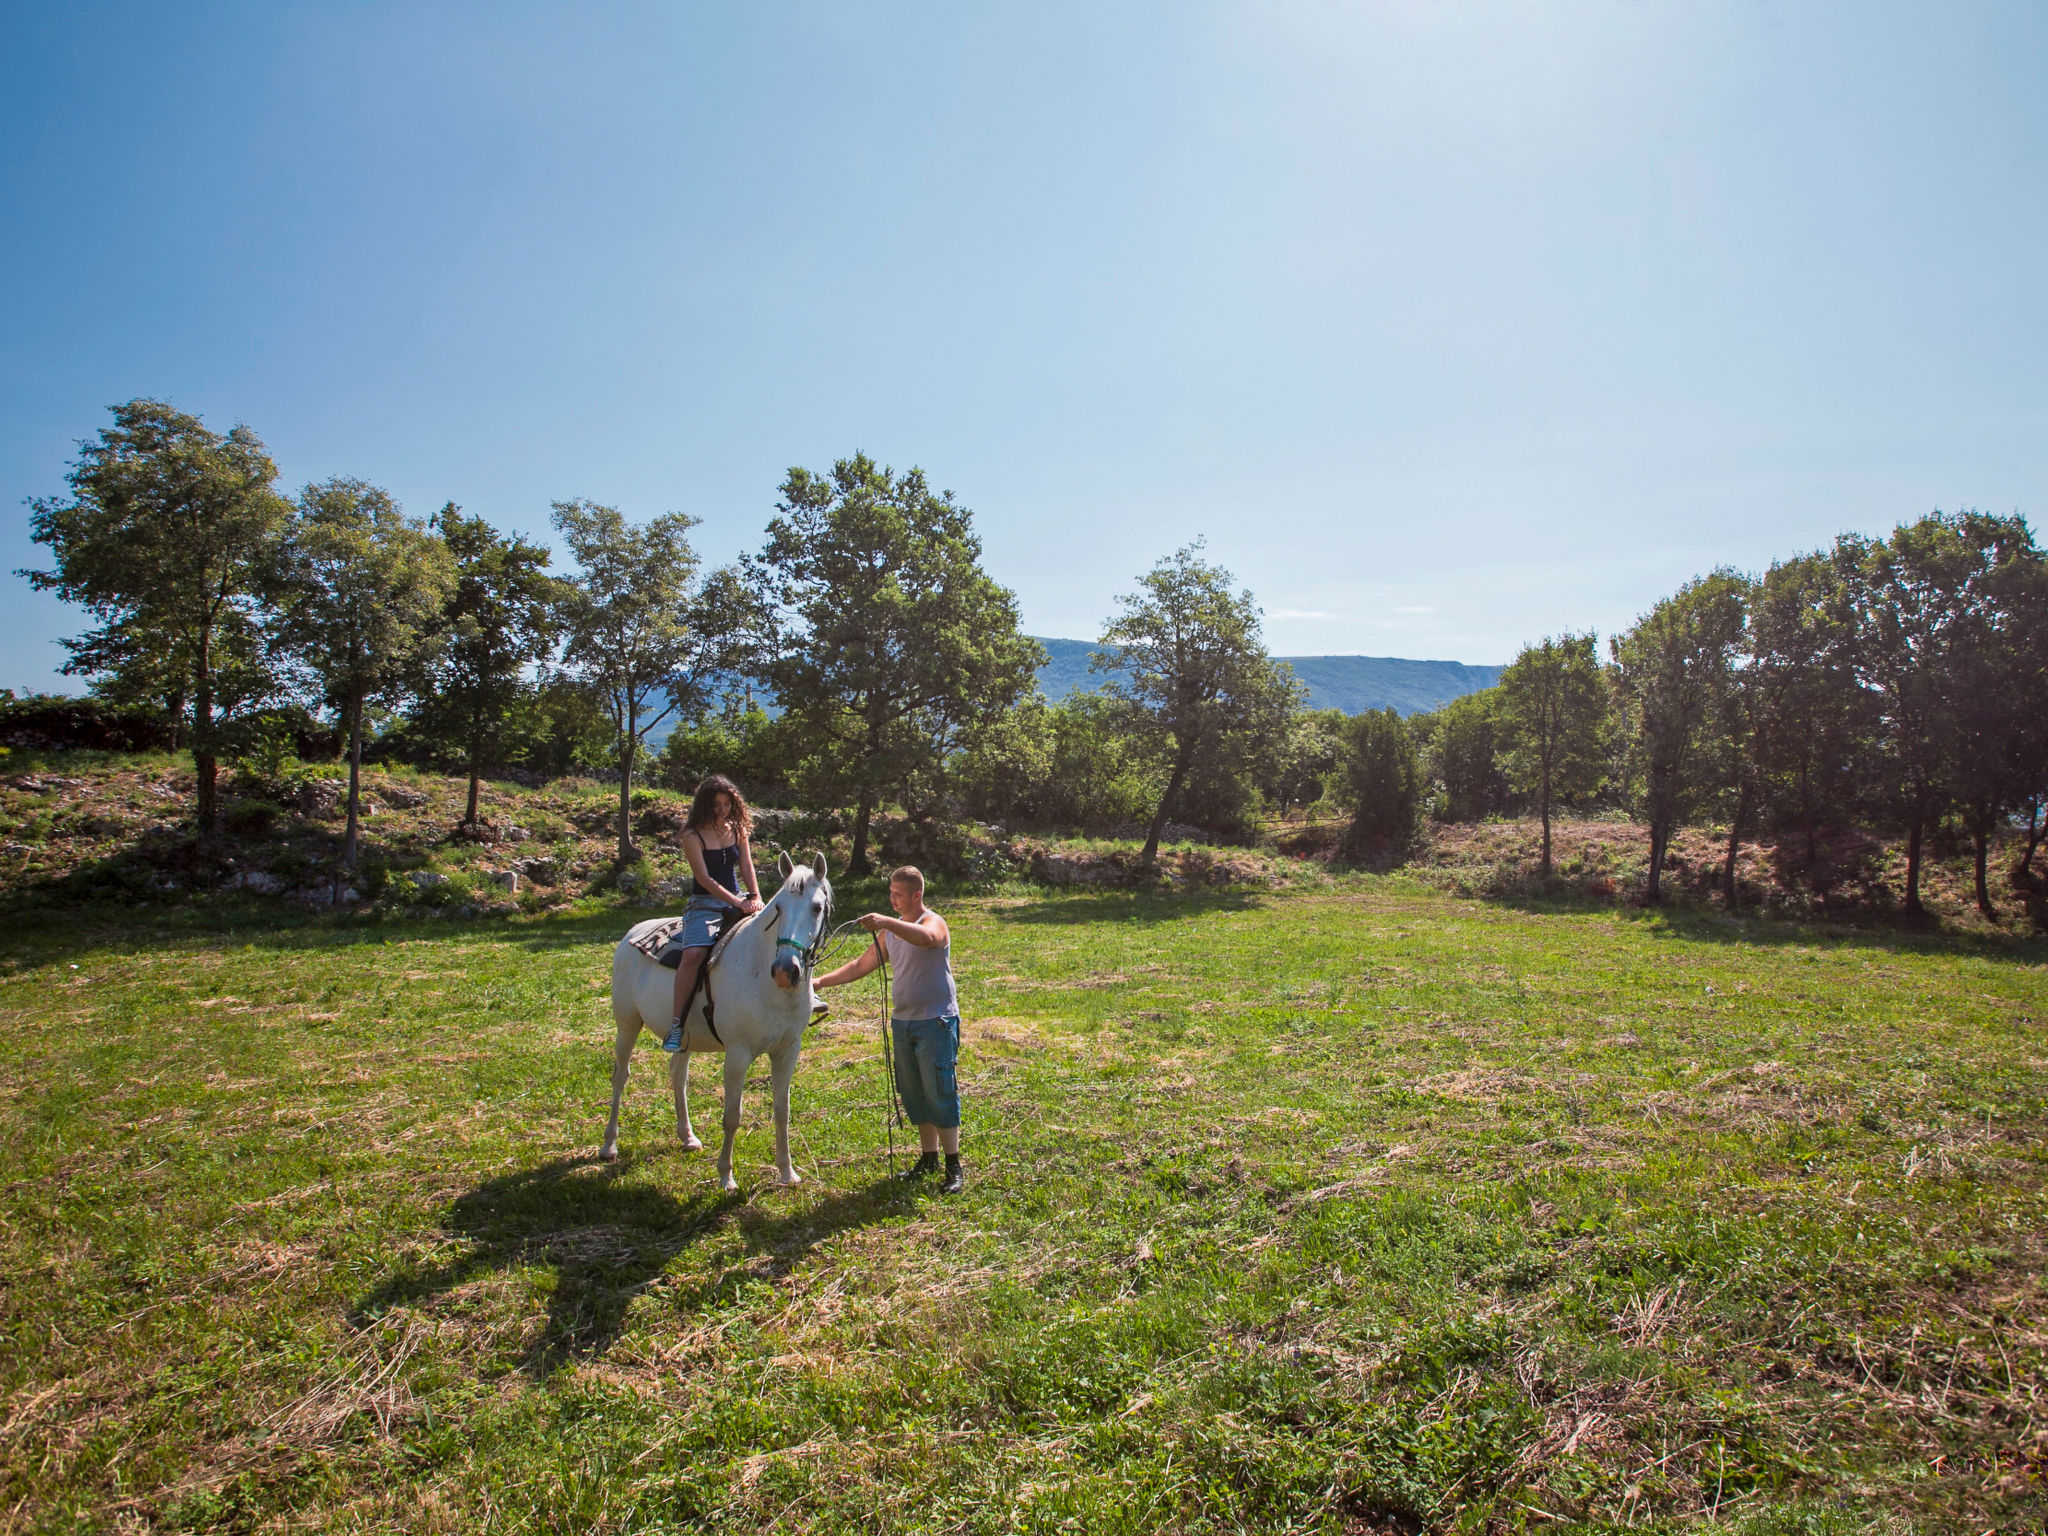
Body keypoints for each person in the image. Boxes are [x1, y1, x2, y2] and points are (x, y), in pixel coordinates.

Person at [816, 864, 964, 1193]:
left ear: (917, 894)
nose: (893, 899)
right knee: (914, 1093)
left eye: (899, 895)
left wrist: (886, 921)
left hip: (936, 1021)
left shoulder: (933, 922)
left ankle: (954, 1165)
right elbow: (861, 964)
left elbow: (928, 940)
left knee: (940, 1091)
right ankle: (929, 1157)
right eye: (890, 894)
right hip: (903, 1022)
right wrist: (819, 981)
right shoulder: (891, 933)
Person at [663, 775, 764, 1053]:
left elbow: (746, 866)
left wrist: (754, 896)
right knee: (694, 954)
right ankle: (677, 1025)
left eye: (727, 804)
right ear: (704, 804)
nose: (722, 810)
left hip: (740, 900)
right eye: (716, 804)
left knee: (777, 931)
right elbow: (704, 878)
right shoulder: (691, 834)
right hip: (704, 905)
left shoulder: (738, 829)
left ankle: (805, 996)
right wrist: (737, 901)